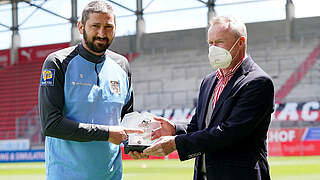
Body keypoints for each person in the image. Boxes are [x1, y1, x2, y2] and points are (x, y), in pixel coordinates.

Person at [134, 16, 275, 180]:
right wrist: (174, 129)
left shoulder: (258, 82)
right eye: (210, 43)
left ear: (241, 42)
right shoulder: (209, 81)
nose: (213, 49)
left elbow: (229, 133)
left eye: (219, 42)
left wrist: (176, 143)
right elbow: (200, 126)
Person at [38, 1, 142, 179]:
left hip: (111, 175)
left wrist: (134, 144)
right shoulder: (57, 63)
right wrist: (107, 134)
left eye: (108, 27)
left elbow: (126, 118)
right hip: (66, 175)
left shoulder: (122, 65)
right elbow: (51, 125)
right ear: (81, 27)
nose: (102, 33)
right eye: (95, 26)